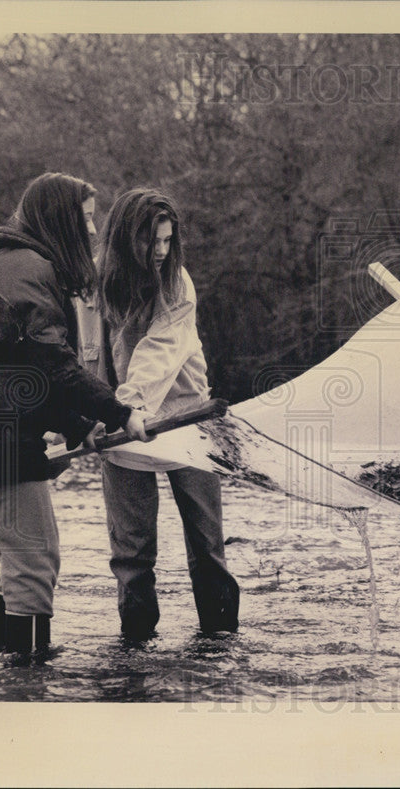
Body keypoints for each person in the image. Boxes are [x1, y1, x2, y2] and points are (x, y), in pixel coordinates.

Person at [0, 172, 150, 662]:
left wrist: (81, 426)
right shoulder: (24, 271)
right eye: (87, 219)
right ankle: (26, 676)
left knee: (33, 554)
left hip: (0, 425)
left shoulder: (27, 267)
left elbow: (31, 374)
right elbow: (56, 367)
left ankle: (8, 664)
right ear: (61, 219)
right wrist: (119, 411)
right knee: (31, 560)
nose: (93, 231)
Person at [96, 187, 240, 640]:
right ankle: (135, 650)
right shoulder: (97, 283)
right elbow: (87, 355)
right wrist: (86, 417)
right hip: (120, 428)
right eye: (151, 242)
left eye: (167, 241)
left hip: (187, 421)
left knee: (207, 547)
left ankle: (219, 647)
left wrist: (128, 406)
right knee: (132, 553)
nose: (160, 251)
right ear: (125, 239)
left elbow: (158, 352)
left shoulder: (179, 283)